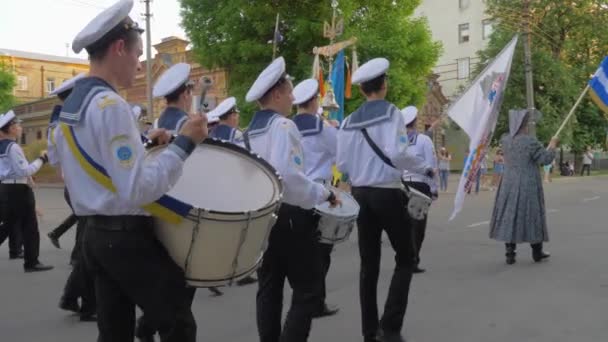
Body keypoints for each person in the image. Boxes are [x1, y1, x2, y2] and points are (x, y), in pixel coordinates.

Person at [53, 0, 206, 340]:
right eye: (138, 54)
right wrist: (184, 143)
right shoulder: (111, 105)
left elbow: (96, 162)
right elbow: (137, 189)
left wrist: (147, 144)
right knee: (178, 324)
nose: (139, 65)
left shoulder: (75, 104)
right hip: (125, 237)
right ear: (119, 48)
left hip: (95, 234)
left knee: (114, 332)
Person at [241, 56, 340, 342]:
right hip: (291, 216)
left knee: (269, 289)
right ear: (276, 94)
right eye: (288, 92)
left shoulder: (246, 134)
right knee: (309, 289)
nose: (292, 98)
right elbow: (290, 179)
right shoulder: (283, 127)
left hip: (261, 217)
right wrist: (325, 193)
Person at [336, 58, 433, 342]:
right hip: (387, 193)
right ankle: (390, 327)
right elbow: (399, 153)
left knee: (369, 264)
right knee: (406, 256)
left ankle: (369, 332)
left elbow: (342, 163)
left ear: (364, 89)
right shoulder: (391, 113)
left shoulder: (347, 120)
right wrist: (422, 167)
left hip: (360, 194)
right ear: (384, 84)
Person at [133, 61, 199, 342]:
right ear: (185, 94)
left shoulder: (158, 125)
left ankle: (148, 324)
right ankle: (149, 325)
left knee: (170, 284)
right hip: (184, 209)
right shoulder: (188, 125)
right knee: (183, 286)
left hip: (160, 208)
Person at [291, 78, 340, 318]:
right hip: (320, 195)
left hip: (293, 195)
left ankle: (305, 298)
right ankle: (315, 301)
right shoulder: (323, 129)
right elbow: (341, 154)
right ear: (314, 101)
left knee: (299, 252)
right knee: (322, 252)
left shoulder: (287, 127)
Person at [489, 110, 556, 265]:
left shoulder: (505, 140)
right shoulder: (530, 142)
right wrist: (552, 146)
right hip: (528, 184)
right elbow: (545, 159)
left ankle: (510, 253)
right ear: (521, 124)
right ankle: (537, 252)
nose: (527, 125)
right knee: (532, 215)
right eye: (526, 123)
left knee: (510, 216)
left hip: (508, 183)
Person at [0, 110, 54, 272]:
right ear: (10, 129)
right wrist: (42, 159)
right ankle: (32, 262)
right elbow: (24, 170)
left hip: (6, 188)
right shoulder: (13, 146)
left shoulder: (2, 146)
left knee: (8, 225)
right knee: (29, 226)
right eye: (17, 125)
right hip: (18, 189)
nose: (20, 127)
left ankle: (31, 261)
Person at [47, 73, 86, 250]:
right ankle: (78, 259)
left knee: (86, 219)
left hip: (71, 182)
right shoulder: (76, 120)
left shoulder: (56, 126)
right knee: (87, 220)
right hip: (83, 181)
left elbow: (54, 159)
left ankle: (78, 258)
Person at [400, 106, 437, 274]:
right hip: (420, 185)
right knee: (418, 226)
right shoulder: (424, 140)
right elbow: (431, 165)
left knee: (405, 225)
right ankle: (413, 260)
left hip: (402, 186)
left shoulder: (398, 141)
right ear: (415, 122)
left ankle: (404, 258)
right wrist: (434, 188)